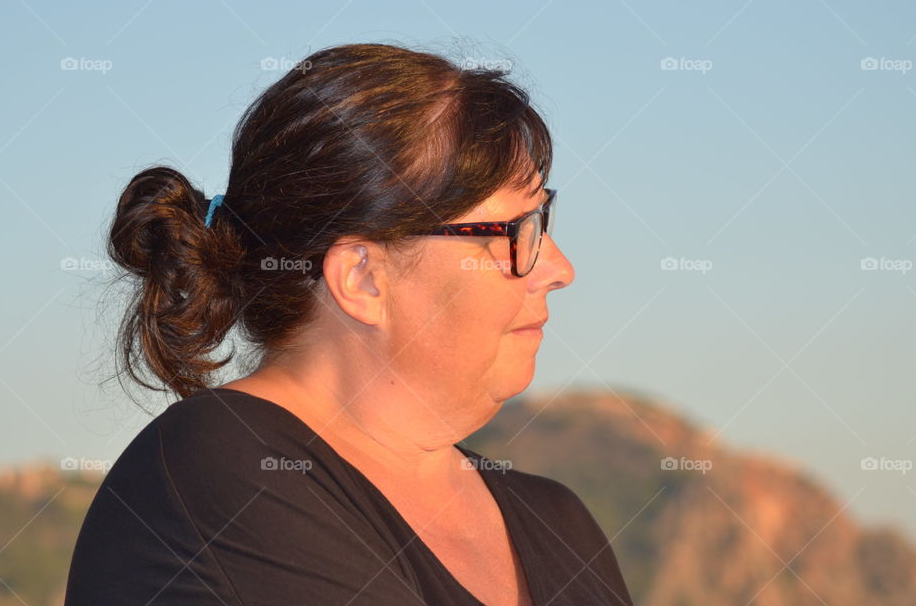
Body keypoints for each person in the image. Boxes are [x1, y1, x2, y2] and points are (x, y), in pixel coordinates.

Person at [65, 42, 634, 606]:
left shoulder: (556, 521)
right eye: (514, 231)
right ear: (363, 278)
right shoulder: (216, 470)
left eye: (543, 218)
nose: (559, 269)